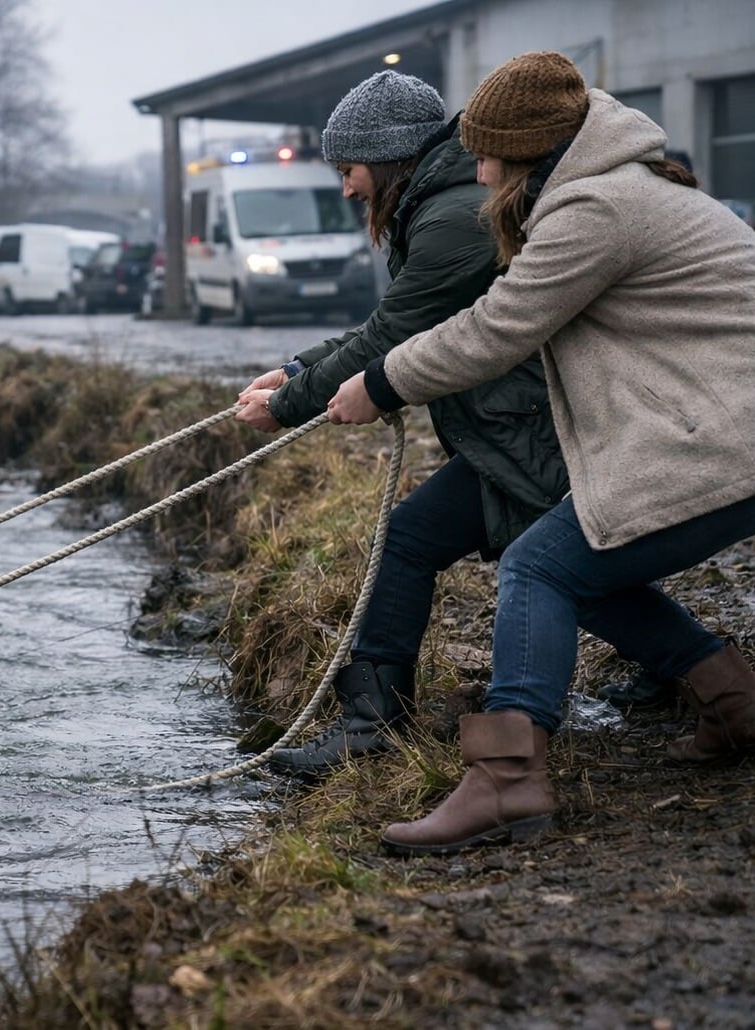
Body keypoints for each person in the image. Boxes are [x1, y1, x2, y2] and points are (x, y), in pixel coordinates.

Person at [324, 51, 755, 854]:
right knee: (579, 564)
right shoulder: (615, 189)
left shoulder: (596, 210)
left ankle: (508, 783)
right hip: (716, 426)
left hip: (724, 437)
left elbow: (497, 328)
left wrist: (378, 383)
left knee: (539, 565)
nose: (479, 173)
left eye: (487, 155)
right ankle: (733, 703)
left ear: (530, 154)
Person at [234, 69, 568, 776]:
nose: (349, 188)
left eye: (351, 170)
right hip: (520, 425)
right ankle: (704, 681)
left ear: (388, 159)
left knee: (506, 559)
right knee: (572, 565)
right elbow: (391, 325)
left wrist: (288, 406)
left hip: (531, 431)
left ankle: (371, 726)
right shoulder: (443, 205)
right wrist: (296, 372)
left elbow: (391, 336)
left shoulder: (453, 219)